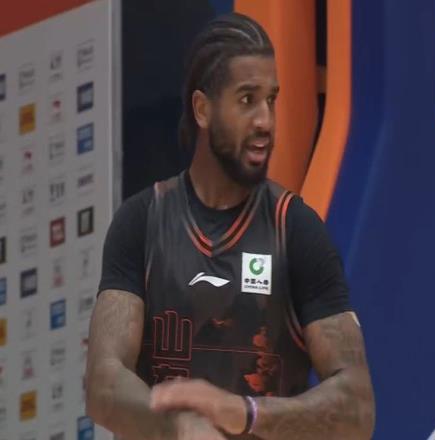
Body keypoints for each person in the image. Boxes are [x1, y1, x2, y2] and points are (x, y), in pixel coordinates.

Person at [86, 12, 375, 440]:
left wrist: (245, 412)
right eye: (247, 100)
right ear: (203, 109)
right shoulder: (141, 223)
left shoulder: (296, 230)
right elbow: (103, 384)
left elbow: (357, 408)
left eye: (271, 100)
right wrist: (180, 425)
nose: (265, 121)